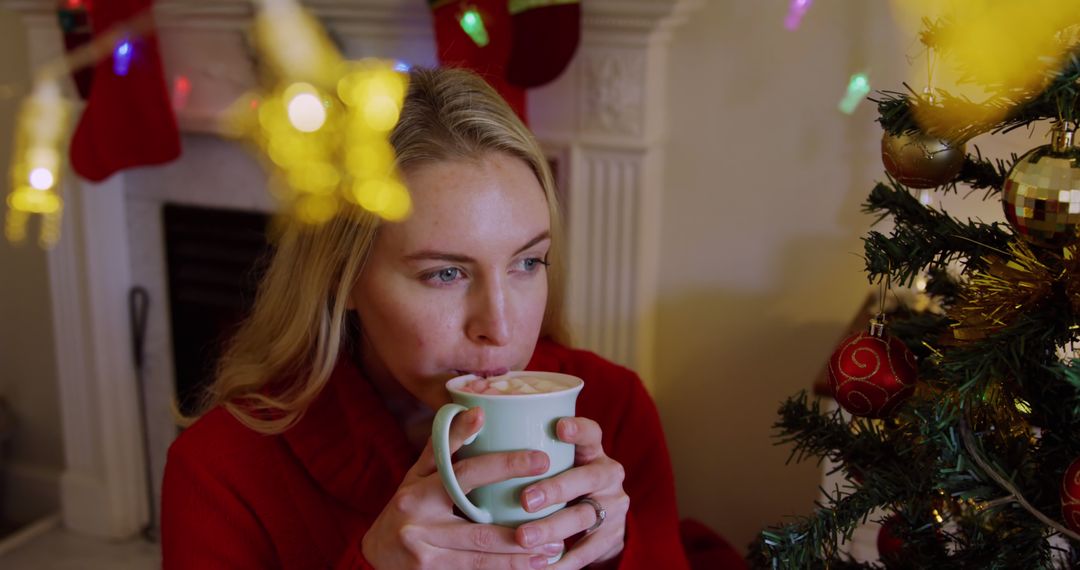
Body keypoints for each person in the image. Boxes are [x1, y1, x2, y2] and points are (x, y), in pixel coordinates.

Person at [162, 67, 696, 569]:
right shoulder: (221, 469)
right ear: (341, 279)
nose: (502, 328)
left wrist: (617, 553)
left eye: (528, 262)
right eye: (446, 274)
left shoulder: (612, 408)